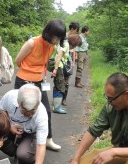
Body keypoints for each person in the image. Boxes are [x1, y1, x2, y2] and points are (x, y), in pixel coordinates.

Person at [15, 19, 66, 151]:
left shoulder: (52, 47)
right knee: (22, 111)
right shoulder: (32, 43)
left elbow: (43, 64)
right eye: (55, 36)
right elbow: (18, 61)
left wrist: (40, 75)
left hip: (39, 81)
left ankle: (48, 139)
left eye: (59, 37)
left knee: (46, 111)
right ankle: (17, 140)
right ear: (48, 32)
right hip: (23, 80)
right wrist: (28, 72)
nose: (56, 40)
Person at [0, 84, 48, 164]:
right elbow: (0, 111)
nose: (29, 114)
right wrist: (9, 126)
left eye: (32, 111)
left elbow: (41, 144)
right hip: (12, 126)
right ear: (18, 103)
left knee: (23, 154)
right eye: (25, 110)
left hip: (31, 133)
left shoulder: (42, 115)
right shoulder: (10, 96)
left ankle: (27, 156)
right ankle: (16, 154)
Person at [50, 34, 82, 114]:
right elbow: (59, 56)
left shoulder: (64, 43)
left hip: (59, 67)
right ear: (74, 43)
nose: (75, 47)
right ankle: (57, 107)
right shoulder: (66, 45)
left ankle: (56, 106)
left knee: (58, 86)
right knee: (60, 87)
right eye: (76, 45)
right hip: (59, 67)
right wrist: (56, 69)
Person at [63, 22, 80, 106]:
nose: (76, 32)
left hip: (69, 61)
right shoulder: (64, 36)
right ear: (72, 29)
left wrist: (73, 61)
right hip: (62, 59)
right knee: (59, 80)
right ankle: (57, 99)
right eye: (76, 30)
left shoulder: (75, 37)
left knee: (66, 81)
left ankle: (64, 99)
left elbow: (74, 50)